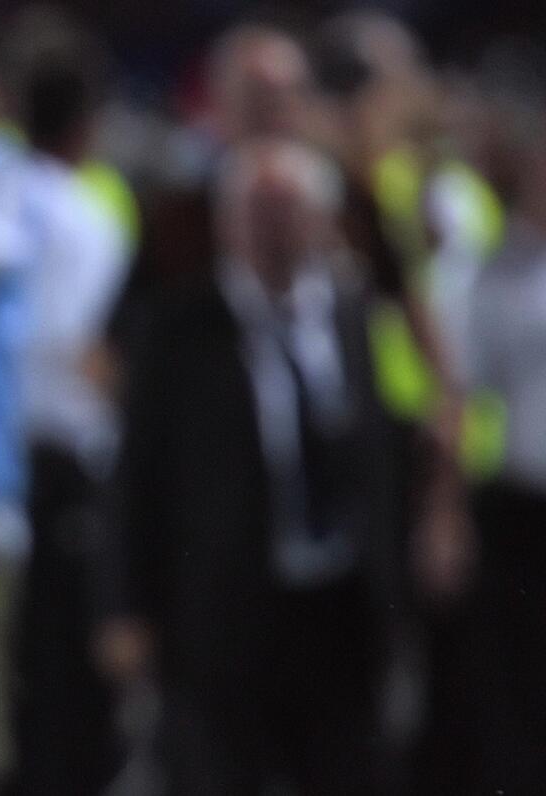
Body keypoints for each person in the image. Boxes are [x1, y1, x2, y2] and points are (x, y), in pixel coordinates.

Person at [114, 138, 404, 794]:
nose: (272, 230)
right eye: (256, 212)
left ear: (321, 221)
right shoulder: (177, 326)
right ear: (226, 224)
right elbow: (137, 475)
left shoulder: (349, 312)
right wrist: (126, 605)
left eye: (287, 211)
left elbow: (379, 461)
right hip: (225, 614)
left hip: (338, 607)